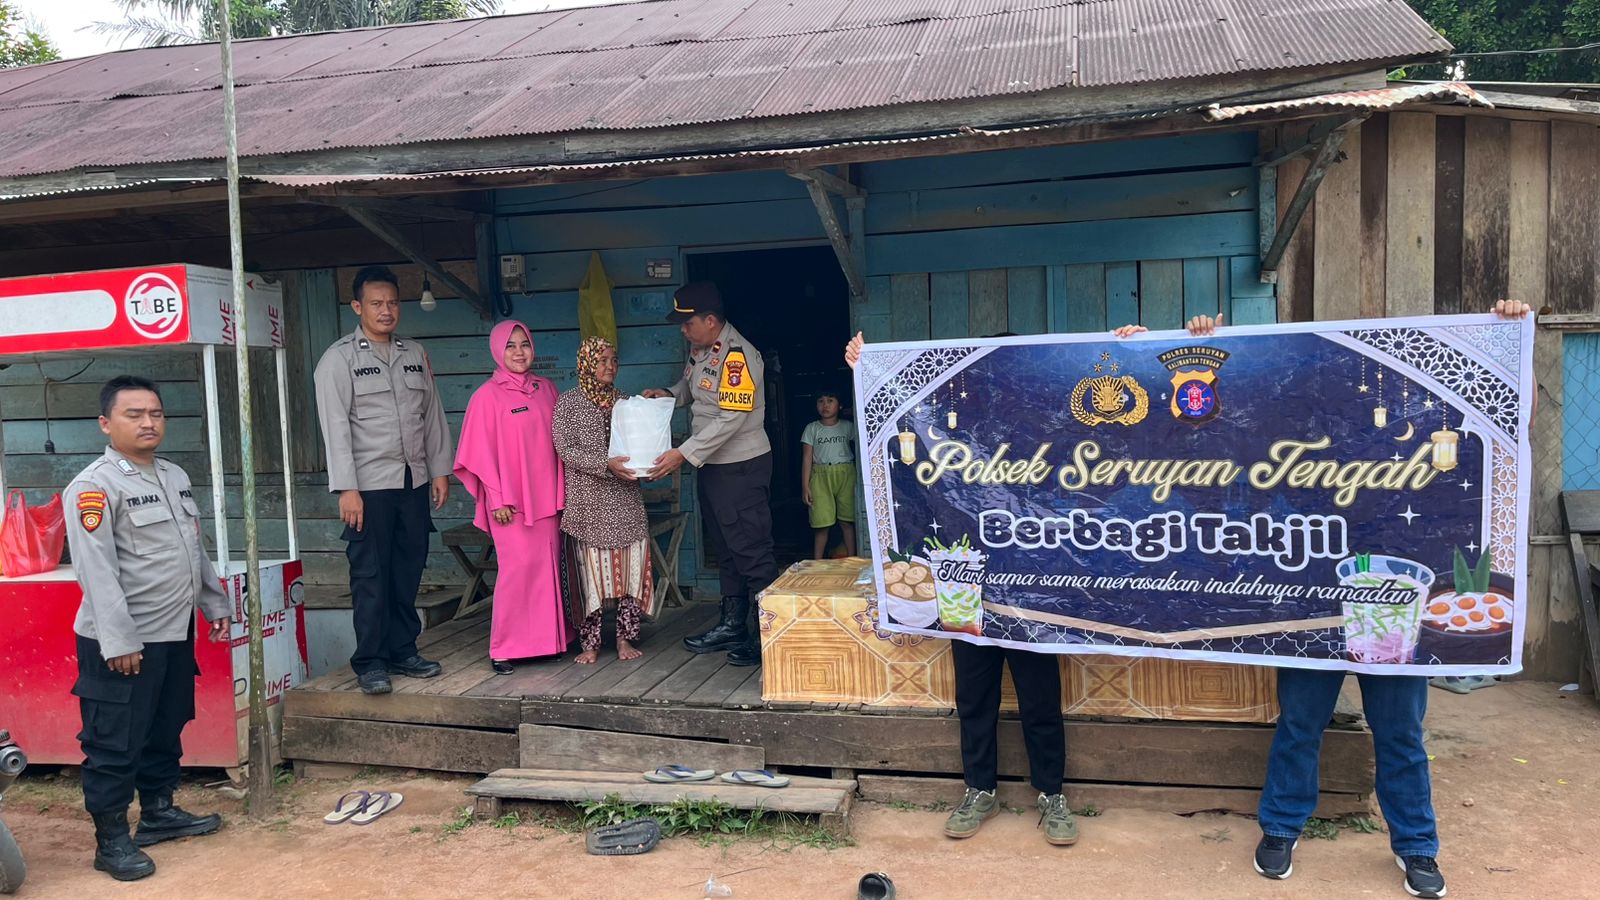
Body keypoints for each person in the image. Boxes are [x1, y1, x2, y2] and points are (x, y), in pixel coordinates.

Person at [1187, 298, 1534, 900]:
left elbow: (1510, 419)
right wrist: (1210, 350)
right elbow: (1221, 428)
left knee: (1399, 731)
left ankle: (1417, 845)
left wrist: (1512, 335)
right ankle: (1281, 828)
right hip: (1311, 597)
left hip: (1396, 599)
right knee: (1300, 722)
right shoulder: (1289, 430)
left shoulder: (1416, 426)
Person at [845, 322, 1145, 845]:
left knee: (1040, 699)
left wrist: (1133, 353)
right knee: (975, 698)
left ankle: (1051, 794)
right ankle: (979, 789)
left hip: (1031, 587)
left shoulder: (1046, 424)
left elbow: (1110, 436)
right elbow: (904, 415)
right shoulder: (956, 420)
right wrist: (866, 365)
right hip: (970, 584)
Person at [62, 376, 232, 881]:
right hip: (122, 640)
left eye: (155, 413)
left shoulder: (173, 475)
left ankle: (158, 812)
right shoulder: (93, 487)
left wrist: (213, 602)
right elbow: (96, 571)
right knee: (114, 742)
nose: (148, 422)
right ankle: (111, 840)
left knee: (165, 725)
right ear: (105, 423)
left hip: (173, 631)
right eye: (133, 414)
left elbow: (192, 550)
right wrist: (118, 640)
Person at [313, 265, 453, 695]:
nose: (386, 310)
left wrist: (440, 469)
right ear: (358, 307)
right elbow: (335, 427)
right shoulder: (338, 359)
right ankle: (371, 661)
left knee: (408, 568)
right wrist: (346, 488)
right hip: (368, 486)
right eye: (376, 303)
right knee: (371, 574)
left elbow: (432, 415)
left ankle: (402, 650)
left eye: (392, 302)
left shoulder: (414, 353)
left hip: (412, 480)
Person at [642, 282, 776, 668]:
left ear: (711, 321)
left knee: (751, 549)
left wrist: (683, 453)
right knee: (726, 548)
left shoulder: (737, 357)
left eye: (688, 323)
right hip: (714, 466)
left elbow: (731, 418)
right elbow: (695, 388)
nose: (683, 330)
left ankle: (770, 635)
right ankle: (733, 624)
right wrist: (669, 393)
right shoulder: (703, 349)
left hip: (740, 466)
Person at [453, 320, 571, 675]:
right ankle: (505, 648)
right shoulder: (486, 397)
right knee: (516, 573)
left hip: (547, 501)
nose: (519, 352)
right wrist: (496, 499)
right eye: (510, 346)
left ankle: (549, 643)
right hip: (510, 505)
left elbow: (562, 441)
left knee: (547, 570)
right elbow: (477, 453)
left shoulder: (546, 389)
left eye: (524, 344)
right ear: (496, 350)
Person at [553, 337, 659, 664]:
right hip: (588, 503)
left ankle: (625, 638)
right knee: (591, 575)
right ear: (586, 364)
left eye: (614, 360)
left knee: (629, 569)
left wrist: (648, 464)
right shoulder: (568, 403)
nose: (610, 366)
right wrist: (605, 464)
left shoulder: (626, 402)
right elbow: (564, 448)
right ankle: (591, 643)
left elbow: (641, 442)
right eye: (602, 361)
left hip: (625, 500)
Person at [801, 391, 857, 560]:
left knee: (847, 521)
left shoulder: (848, 426)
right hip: (820, 476)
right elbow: (807, 458)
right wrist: (805, 486)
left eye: (830, 401)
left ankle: (853, 560)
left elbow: (863, 444)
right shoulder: (812, 428)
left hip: (846, 474)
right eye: (821, 401)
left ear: (840, 406)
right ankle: (817, 562)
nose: (825, 405)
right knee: (821, 524)